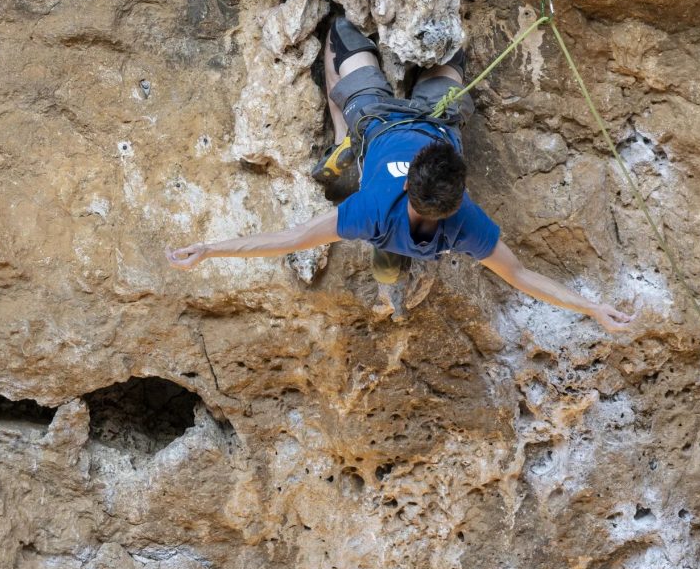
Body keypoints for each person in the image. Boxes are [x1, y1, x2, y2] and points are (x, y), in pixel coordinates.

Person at [165, 17, 634, 333]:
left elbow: (290, 239)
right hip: (435, 116)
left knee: (341, 34)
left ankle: (343, 137)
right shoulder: (465, 223)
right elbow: (522, 275)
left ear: (410, 183)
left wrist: (210, 249)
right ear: (458, 194)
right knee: (450, 49)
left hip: (380, 119)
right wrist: (590, 307)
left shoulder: (371, 211)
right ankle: (387, 247)